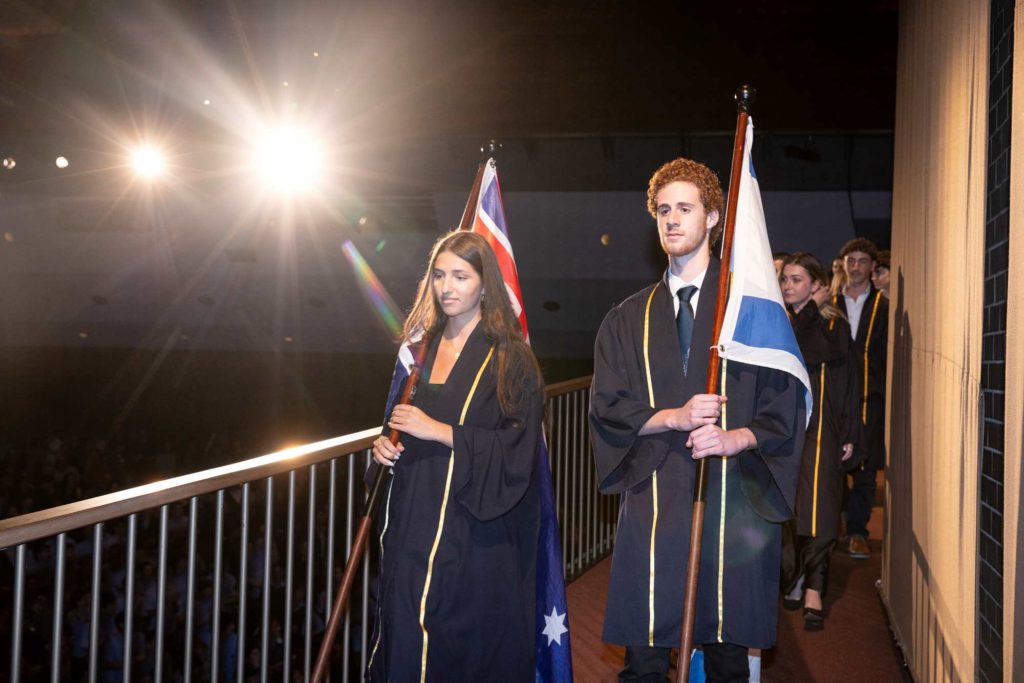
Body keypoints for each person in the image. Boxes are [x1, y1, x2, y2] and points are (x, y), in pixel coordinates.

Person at [590, 158, 806, 683]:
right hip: (656, 499)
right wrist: (673, 417)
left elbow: (786, 403)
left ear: (712, 217)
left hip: (732, 501)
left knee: (728, 657)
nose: (671, 219)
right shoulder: (627, 319)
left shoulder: (750, 311)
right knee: (643, 660)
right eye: (663, 210)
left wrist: (737, 438)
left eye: (684, 208)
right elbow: (608, 406)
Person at [366, 230, 545, 682]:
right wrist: (383, 449)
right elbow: (397, 423)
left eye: (461, 276)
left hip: (472, 533)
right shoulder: (418, 353)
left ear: (485, 285)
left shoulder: (512, 359)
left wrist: (440, 431)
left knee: (457, 647)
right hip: (412, 521)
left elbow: (518, 452)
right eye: (439, 275)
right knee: (405, 634)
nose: (447, 287)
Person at [778, 253, 863, 630]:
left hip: (825, 428)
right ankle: (797, 574)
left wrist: (851, 432)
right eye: (785, 279)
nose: (787, 286)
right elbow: (793, 347)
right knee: (791, 509)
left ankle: (815, 586)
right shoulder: (780, 321)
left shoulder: (833, 325)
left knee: (823, 510)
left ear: (816, 285)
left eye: (796, 280)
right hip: (785, 429)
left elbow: (848, 380)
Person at [832, 238, 888, 559]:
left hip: (870, 397)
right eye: (850, 261)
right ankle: (837, 521)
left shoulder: (884, 305)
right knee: (834, 463)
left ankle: (857, 532)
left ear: (872, 266)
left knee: (866, 467)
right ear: (843, 264)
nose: (855, 267)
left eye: (862, 261)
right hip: (836, 399)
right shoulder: (830, 302)